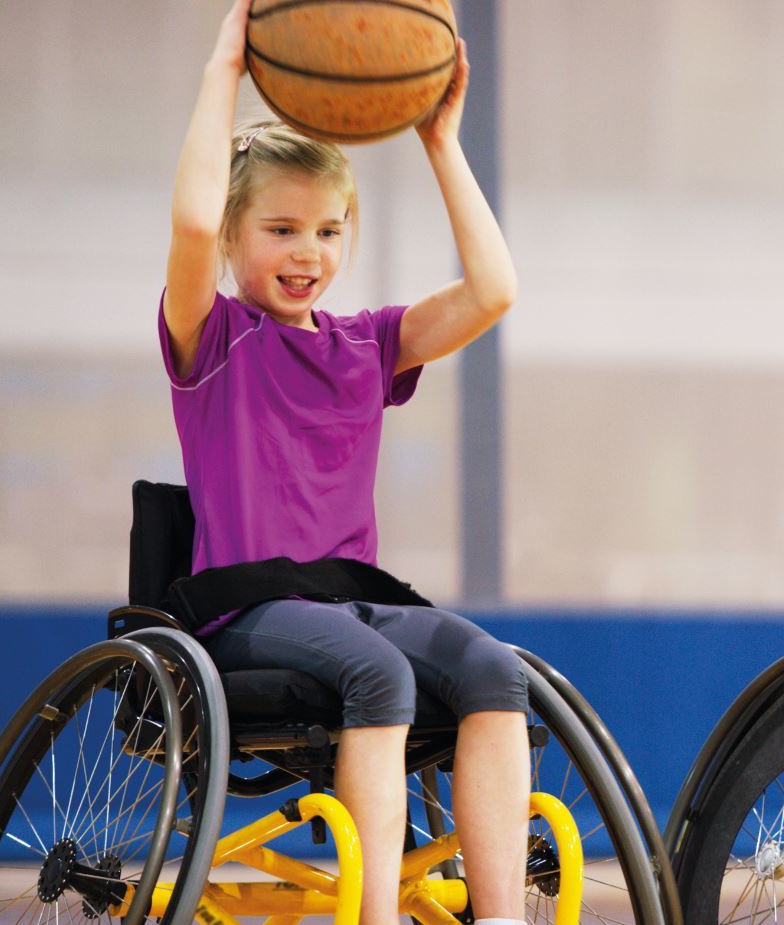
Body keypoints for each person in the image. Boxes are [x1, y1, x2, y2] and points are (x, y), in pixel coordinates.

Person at [159, 2, 526, 923]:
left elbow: (494, 289)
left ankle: (501, 914)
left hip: (349, 595)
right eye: (280, 229)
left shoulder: (365, 344)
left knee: (494, 670)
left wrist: (441, 140)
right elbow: (194, 222)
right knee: (381, 673)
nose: (307, 253)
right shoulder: (216, 337)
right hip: (246, 607)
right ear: (241, 238)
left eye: (328, 231)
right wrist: (224, 72)